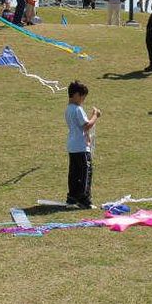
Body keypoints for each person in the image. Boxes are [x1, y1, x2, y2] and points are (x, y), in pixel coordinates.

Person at [65, 81, 101, 209]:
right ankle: (84, 199)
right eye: (82, 97)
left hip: (73, 146)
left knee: (74, 173)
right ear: (75, 95)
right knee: (86, 172)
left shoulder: (68, 109)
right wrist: (95, 116)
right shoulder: (78, 109)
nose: (83, 100)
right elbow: (86, 126)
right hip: (81, 147)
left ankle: (72, 197)